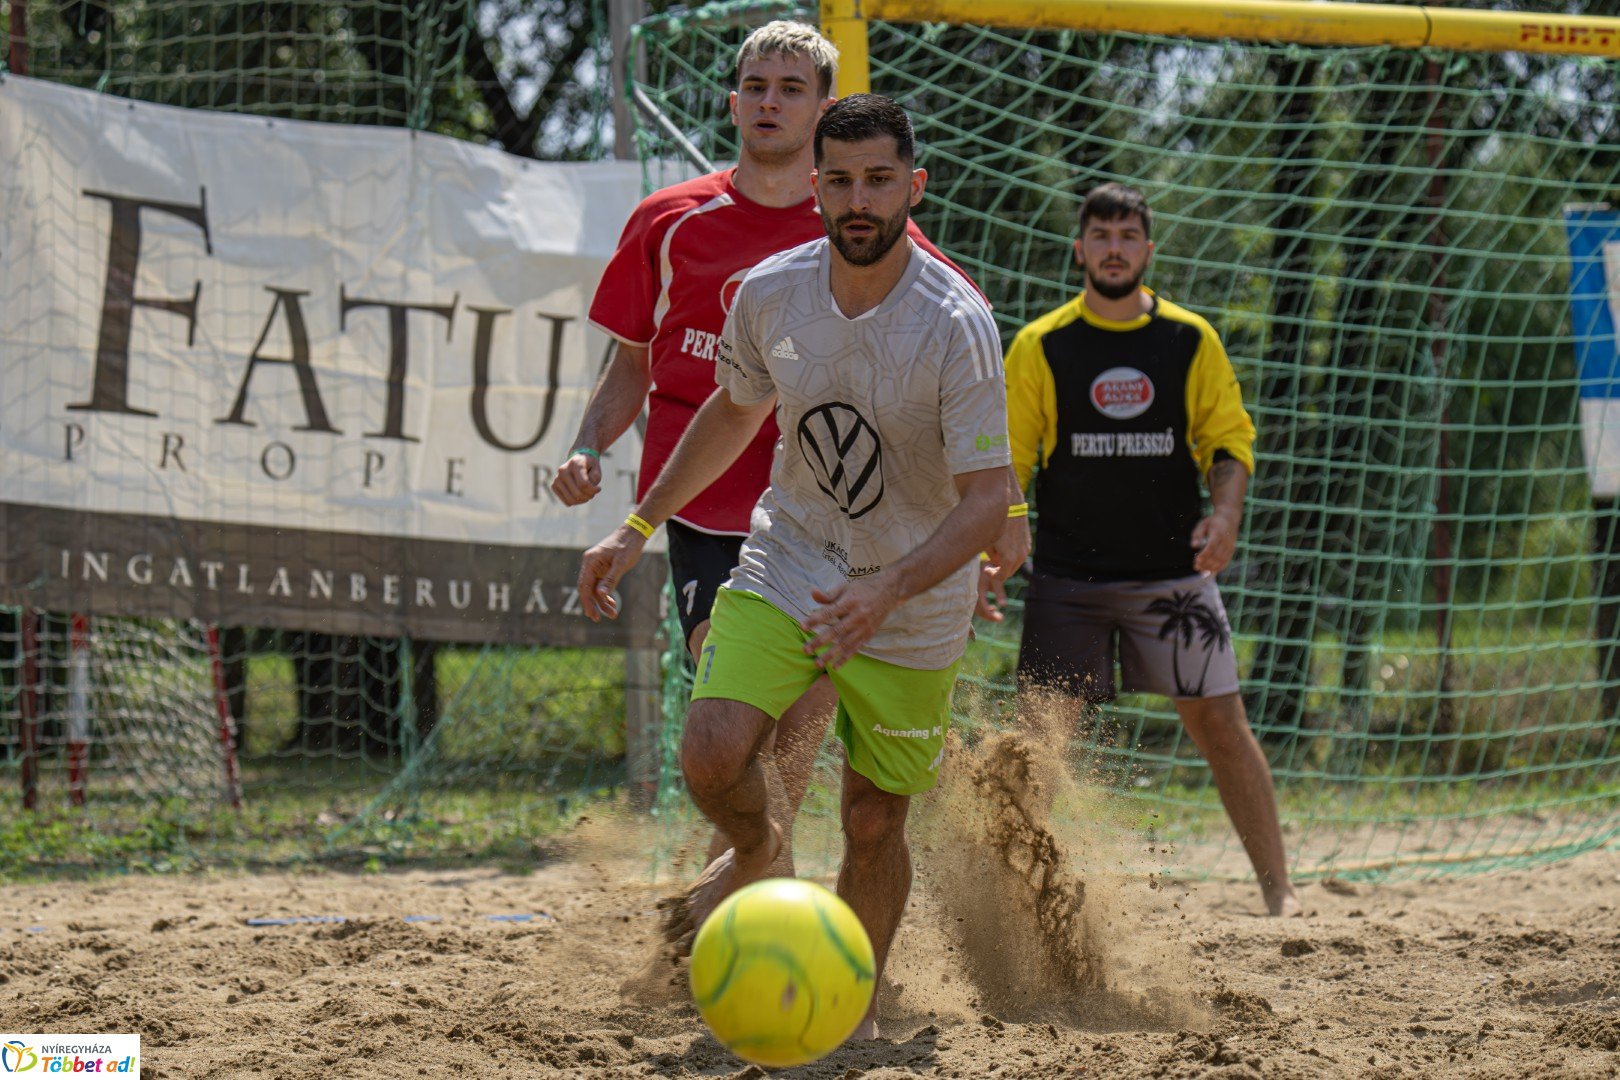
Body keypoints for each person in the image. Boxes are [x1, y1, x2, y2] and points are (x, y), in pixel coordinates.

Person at [578, 94, 1014, 1038]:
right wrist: (636, 526)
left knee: (872, 819)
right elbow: (734, 410)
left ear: (914, 187)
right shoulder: (772, 291)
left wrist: (889, 588)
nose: (860, 200)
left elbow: (987, 499)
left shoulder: (956, 320)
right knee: (711, 751)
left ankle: (854, 1006)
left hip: (911, 598)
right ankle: (758, 847)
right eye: (842, 181)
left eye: (880, 180)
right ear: (815, 186)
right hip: (793, 557)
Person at [555, 21, 981, 871]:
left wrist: (981, 519)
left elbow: (959, 381)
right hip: (709, 516)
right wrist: (589, 445)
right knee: (730, 733)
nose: (769, 103)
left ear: (824, 108)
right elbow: (631, 363)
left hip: (825, 525)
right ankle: (748, 884)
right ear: (732, 102)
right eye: (755, 86)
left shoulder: (871, 236)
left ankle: (742, 893)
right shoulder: (669, 221)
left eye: (791, 89)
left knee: (794, 741)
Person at [1001, 182, 1302, 918]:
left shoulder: (1189, 339)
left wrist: (1225, 514)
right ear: (1079, 250)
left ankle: (1281, 892)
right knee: (1039, 742)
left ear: (1148, 249)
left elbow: (1228, 440)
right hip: (1067, 579)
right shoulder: (1041, 344)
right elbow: (1008, 463)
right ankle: (1010, 902)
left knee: (1221, 725)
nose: (1114, 249)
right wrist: (994, 548)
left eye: (1127, 236)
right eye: (1101, 236)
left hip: (1173, 580)